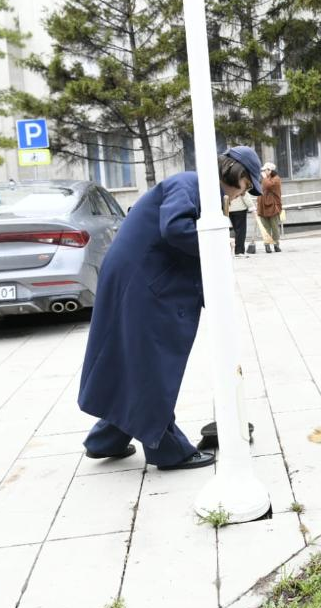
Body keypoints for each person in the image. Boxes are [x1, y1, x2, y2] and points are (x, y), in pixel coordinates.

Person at [78, 147, 262, 470]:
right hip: (141, 282)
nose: (244, 193)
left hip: (135, 277)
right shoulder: (190, 184)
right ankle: (166, 447)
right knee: (153, 362)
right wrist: (217, 241)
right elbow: (175, 228)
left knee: (130, 359)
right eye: (248, 184)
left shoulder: (197, 188)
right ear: (238, 175)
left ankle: (107, 438)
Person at [257, 162, 283, 253]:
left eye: (265, 170)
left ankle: (276, 245)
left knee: (274, 227)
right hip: (263, 206)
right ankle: (267, 245)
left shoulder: (276, 179)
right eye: (263, 170)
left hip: (273, 206)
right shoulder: (265, 179)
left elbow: (269, 186)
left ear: (270, 170)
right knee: (265, 227)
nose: (264, 172)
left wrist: (264, 178)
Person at [226, 189, 252, 258]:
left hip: (230, 209)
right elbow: (244, 195)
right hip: (240, 209)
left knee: (237, 231)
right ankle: (239, 251)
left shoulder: (226, 183)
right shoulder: (238, 182)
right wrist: (251, 206)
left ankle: (237, 251)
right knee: (241, 231)